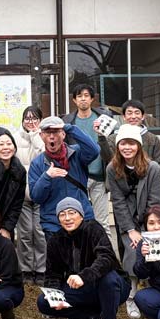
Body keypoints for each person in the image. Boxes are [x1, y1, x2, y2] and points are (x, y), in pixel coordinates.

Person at [36, 197, 131, 319]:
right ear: (58, 219)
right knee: (44, 302)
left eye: (72, 213)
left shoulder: (94, 229)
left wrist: (84, 276)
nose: (67, 218)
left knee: (109, 279)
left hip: (114, 287)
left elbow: (106, 258)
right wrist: (55, 295)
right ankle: (92, 315)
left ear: (80, 215)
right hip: (83, 289)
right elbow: (53, 274)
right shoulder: (55, 240)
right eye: (62, 214)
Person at [106, 123, 160, 319]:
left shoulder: (153, 168)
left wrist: (149, 230)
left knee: (154, 252)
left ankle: (156, 291)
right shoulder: (112, 169)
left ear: (138, 146)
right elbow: (118, 202)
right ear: (118, 146)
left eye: (131, 143)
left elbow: (155, 200)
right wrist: (131, 230)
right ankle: (131, 295)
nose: (127, 148)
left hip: (152, 219)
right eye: (123, 143)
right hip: (127, 221)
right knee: (132, 250)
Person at [28, 116, 100, 239]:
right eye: (47, 132)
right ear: (41, 136)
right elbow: (36, 197)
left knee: (86, 258)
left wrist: (69, 128)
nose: (51, 136)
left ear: (63, 134)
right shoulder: (37, 163)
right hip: (54, 224)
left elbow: (94, 150)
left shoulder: (76, 153)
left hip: (82, 219)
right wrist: (47, 177)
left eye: (55, 132)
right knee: (58, 258)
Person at [61, 83, 116, 238]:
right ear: (74, 100)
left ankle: (107, 259)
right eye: (79, 96)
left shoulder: (104, 118)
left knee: (102, 222)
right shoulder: (68, 121)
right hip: (77, 178)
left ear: (92, 99)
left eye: (86, 96)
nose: (83, 99)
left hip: (99, 177)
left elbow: (111, 149)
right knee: (77, 220)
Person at [14, 105, 47, 283]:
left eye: (35, 118)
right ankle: (26, 269)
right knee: (25, 233)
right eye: (27, 118)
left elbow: (45, 154)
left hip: (41, 194)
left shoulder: (43, 137)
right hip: (23, 194)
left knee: (40, 232)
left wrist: (35, 135)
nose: (31, 121)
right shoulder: (15, 137)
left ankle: (41, 269)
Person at [120, 99, 160, 174]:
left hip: (147, 182)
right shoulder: (115, 138)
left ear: (143, 116)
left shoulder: (153, 139)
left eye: (137, 113)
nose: (133, 116)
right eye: (129, 113)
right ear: (124, 117)